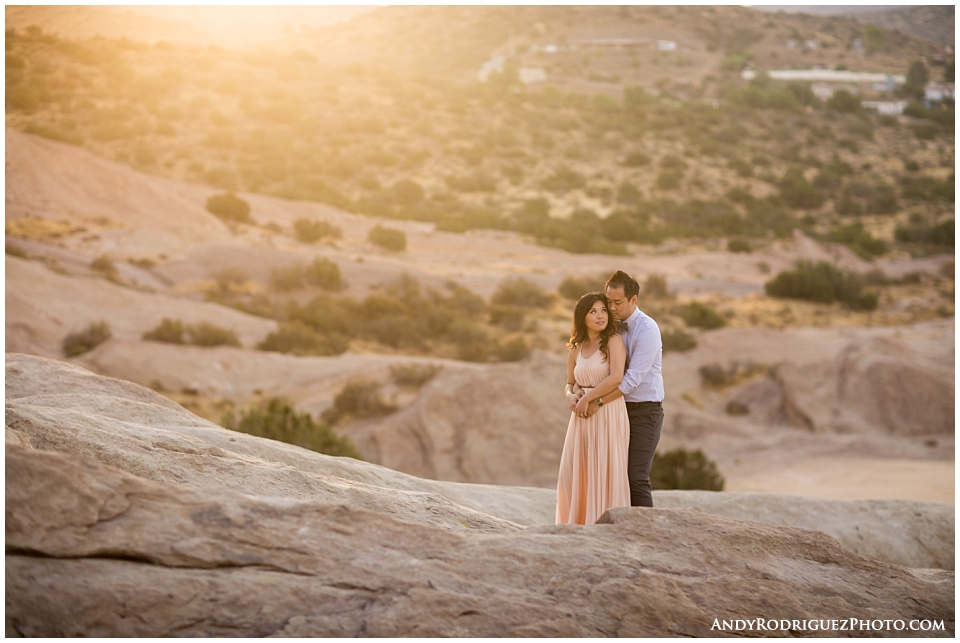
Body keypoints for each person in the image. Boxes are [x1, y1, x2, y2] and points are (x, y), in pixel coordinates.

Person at [581, 270, 664, 508]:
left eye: (618, 302)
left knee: (635, 478)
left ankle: (646, 535)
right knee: (613, 476)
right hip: (615, 410)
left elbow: (630, 381)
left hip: (644, 412)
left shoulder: (647, 330)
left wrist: (595, 401)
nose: (612, 308)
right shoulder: (609, 327)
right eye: (609, 302)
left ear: (633, 300)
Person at [555, 292, 631, 525]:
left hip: (607, 410)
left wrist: (589, 399)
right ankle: (577, 525)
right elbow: (569, 382)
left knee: (606, 471)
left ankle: (605, 526)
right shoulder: (576, 348)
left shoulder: (614, 341)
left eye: (603, 310)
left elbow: (617, 377)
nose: (600, 316)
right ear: (582, 317)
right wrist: (571, 396)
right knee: (577, 471)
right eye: (593, 311)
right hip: (580, 416)